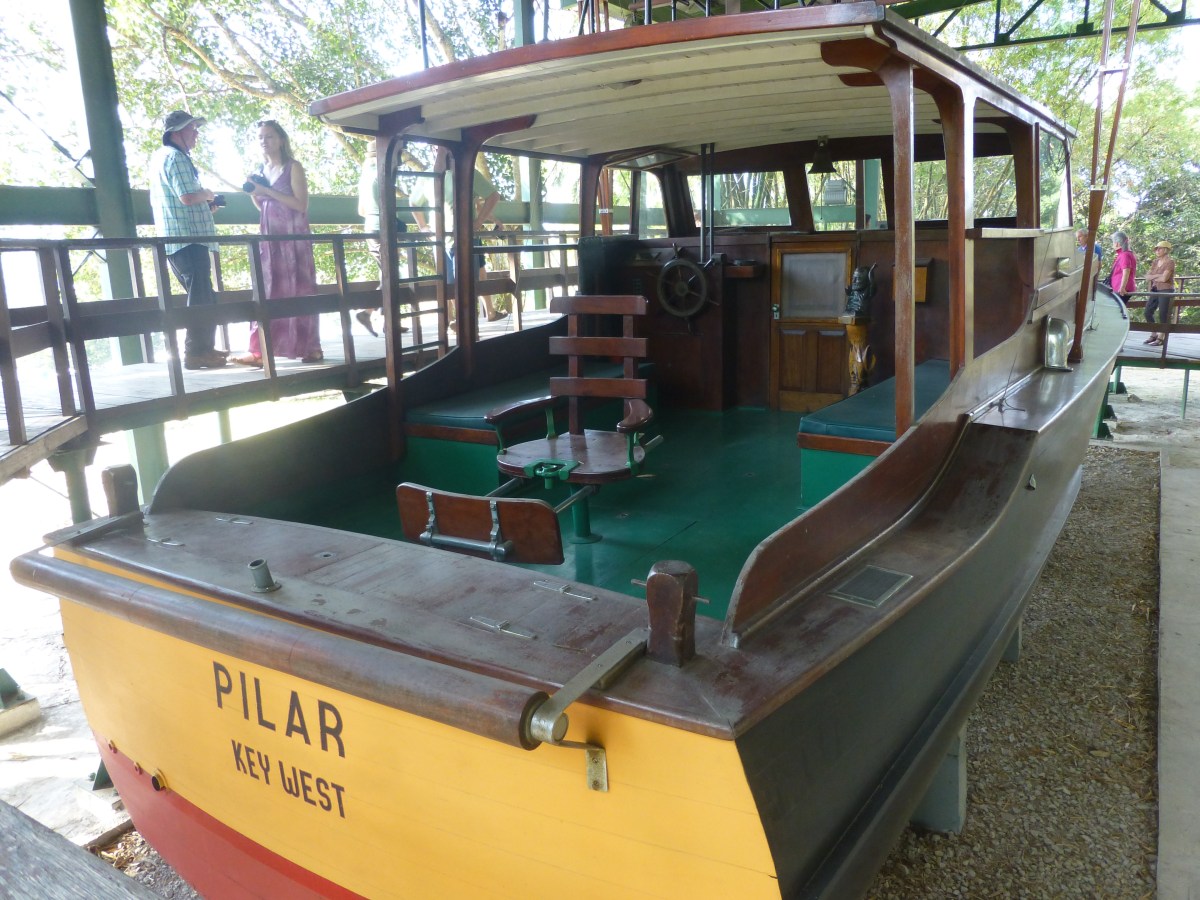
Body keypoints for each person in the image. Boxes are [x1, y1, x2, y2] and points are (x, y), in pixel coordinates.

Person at [232, 120, 322, 366]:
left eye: (269, 136)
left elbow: (300, 205)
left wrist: (267, 190)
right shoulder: (261, 169)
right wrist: (256, 192)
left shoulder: (293, 167)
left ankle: (311, 347)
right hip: (270, 238)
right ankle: (259, 351)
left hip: (294, 239)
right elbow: (263, 205)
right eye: (260, 137)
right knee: (268, 288)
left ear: (281, 140)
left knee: (300, 288)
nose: (264, 141)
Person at [148, 110, 228, 369]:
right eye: (192, 128)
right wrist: (206, 194)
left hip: (175, 239)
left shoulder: (160, 158)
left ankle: (204, 349)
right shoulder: (177, 158)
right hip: (189, 239)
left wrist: (207, 206)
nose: (197, 133)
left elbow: (180, 202)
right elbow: (187, 197)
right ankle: (195, 353)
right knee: (201, 296)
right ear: (176, 133)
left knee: (203, 294)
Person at [1143, 239, 1176, 345]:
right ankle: (1154, 334)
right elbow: (1147, 277)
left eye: (1159, 248)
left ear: (1166, 250)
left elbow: (1165, 279)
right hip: (1155, 289)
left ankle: (1161, 337)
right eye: (1156, 249)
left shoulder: (1170, 262)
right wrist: (1158, 276)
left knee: (1163, 314)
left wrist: (1155, 277)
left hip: (1166, 289)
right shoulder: (1155, 262)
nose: (1157, 251)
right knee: (1147, 312)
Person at [1109, 231, 1137, 304]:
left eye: (1113, 242)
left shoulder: (1125, 255)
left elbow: (1126, 271)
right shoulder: (1124, 254)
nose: (1113, 245)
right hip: (1119, 287)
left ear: (1117, 243)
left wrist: (1122, 287)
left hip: (1122, 289)